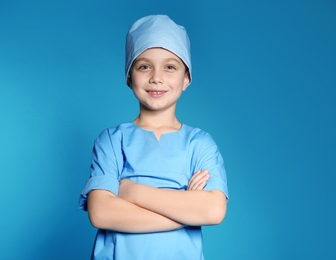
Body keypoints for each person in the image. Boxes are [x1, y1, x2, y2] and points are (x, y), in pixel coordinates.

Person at [79, 14, 229, 260]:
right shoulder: (111, 141)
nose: (156, 77)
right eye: (144, 66)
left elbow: (212, 211)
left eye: (170, 67)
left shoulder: (200, 144)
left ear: (186, 78)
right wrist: (185, 209)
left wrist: (131, 192)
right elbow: (101, 213)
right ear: (129, 77)